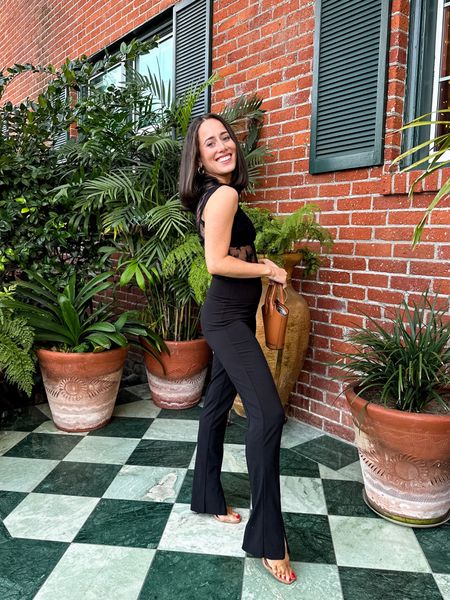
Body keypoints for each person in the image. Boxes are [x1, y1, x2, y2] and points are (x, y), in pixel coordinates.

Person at [179, 113, 297, 585]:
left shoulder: (218, 195)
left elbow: (234, 255)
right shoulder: (224, 194)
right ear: (201, 159)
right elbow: (216, 262)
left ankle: (207, 496)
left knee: (216, 406)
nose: (223, 145)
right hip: (227, 320)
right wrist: (270, 272)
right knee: (268, 415)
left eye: (225, 136)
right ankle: (270, 538)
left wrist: (259, 262)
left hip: (229, 318)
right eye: (211, 142)